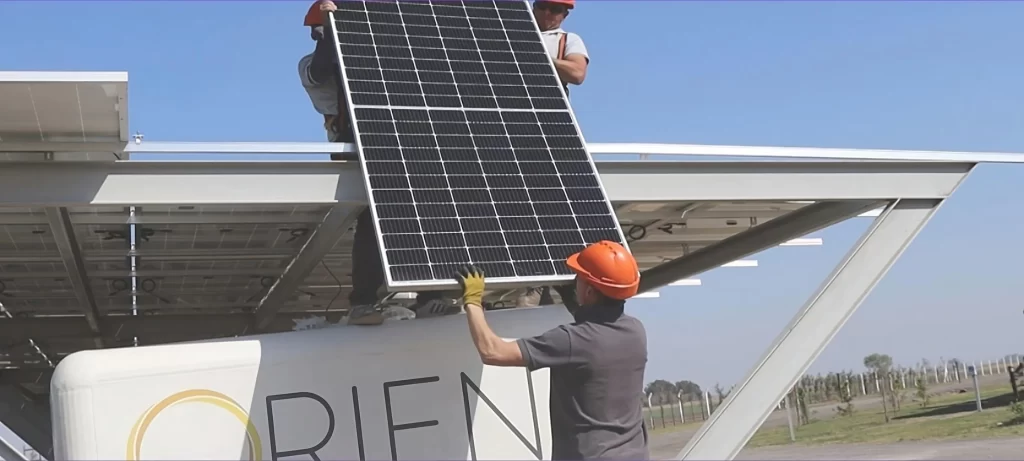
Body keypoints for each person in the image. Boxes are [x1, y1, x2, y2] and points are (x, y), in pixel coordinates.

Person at [298, 0, 459, 325]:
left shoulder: (378, 54)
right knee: (373, 220)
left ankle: (431, 295)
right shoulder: (312, 63)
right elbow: (322, 68)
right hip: (356, 145)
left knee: (427, 211)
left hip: (398, 139)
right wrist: (330, 26)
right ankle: (363, 302)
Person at [455, 241, 650, 460]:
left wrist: (473, 301)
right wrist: (576, 304)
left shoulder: (570, 340)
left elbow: (492, 351)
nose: (575, 280)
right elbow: (598, 334)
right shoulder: (636, 332)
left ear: (589, 291)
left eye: (579, 277)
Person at [517, 0, 591, 310]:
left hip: (550, 130)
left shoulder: (567, 40)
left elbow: (577, 72)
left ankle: (557, 282)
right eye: (545, 7)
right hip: (513, 127)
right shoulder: (513, 31)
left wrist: (538, 56)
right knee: (519, 205)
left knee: (553, 205)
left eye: (557, 10)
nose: (550, 14)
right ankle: (533, 279)